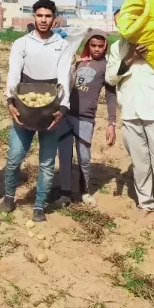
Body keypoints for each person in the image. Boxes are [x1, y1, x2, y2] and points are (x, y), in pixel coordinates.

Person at [2, 0, 76, 222]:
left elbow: (64, 77)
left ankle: (39, 205)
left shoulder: (62, 46)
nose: (43, 20)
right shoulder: (21, 43)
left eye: (48, 16)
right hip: (25, 104)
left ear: (54, 18)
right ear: (33, 17)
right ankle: (8, 196)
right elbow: (14, 73)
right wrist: (10, 101)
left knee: (46, 162)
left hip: (50, 108)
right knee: (15, 156)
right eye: (40, 16)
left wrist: (62, 108)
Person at [106, 16, 154, 218]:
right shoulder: (118, 48)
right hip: (130, 110)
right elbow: (111, 77)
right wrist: (129, 58)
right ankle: (145, 203)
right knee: (140, 163)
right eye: (119, 24)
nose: (123, 26)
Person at [57, 28, 117, 207]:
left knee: (84, 157)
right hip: (66, 115)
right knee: (65, 155)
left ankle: (84, 191)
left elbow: (110, 95)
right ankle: (65, 193)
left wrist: (111, 122)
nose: (97, 49)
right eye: (93, 45)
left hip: (86, 119)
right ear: (87, 45)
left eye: (100, 46)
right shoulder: (79, 62)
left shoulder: (106, 67)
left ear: (105, 47)